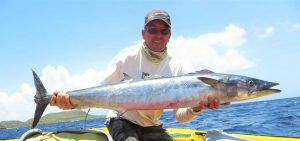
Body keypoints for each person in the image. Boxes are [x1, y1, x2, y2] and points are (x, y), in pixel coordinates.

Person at [50, 8, 229, 141]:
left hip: (152, 125)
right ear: (143, 33)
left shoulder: (177, 68)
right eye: (152, 30)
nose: (158, 35)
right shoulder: (127, 56)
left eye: (163, 31)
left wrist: (197, 108)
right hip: (121, 120)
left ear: (169, 35)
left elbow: (180, 116)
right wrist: (70, 101)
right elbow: (100, 89)